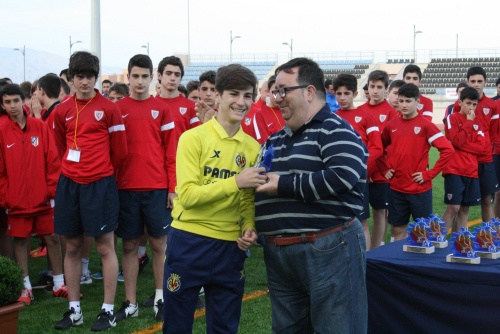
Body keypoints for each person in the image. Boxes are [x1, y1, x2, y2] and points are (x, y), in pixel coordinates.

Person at [255, 58, 368, 333]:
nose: (277, 98)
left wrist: (283, 185)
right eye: (275, 91)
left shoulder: (336, 129)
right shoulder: (274, 139)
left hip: (328, 248)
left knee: (338, 328)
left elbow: (342, 176)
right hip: (281, 254)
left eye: (284, 91)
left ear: (308, 91)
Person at [163, 64, 264, 333]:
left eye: (247, 95)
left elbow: (246, 201)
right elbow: (189, 196)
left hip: (230, 248)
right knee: (177, 325)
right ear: (217, 96)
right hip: (189, 242)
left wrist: (249, 227)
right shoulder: (192, 138)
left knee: (224, 327)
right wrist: (235, 181)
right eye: (234, 93)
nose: (241, 102)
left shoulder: (252, 148)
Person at [53, 51, 128, 331]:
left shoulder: (110, 108)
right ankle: (74, 310)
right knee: (71, 246)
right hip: (70, 183)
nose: (85, 82)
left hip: (100, 184)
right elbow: (60, 145)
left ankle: (107, 310)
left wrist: (100, 172)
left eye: (90, 76)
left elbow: (120, 152)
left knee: (105, 246)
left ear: (97, 78)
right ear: (71, 78)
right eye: (80, 76)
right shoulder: (61, 110)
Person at [114, 54, 174, 323]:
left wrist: (172, 188)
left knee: (159, 245)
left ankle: (161, 298)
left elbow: (171, 153)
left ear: (153, 78)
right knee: (129, 246)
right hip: (126, 188)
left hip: (157, 187)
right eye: (135, 76)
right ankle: (131, 302)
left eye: (144, 76)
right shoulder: (117, 109)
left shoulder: (162, 109)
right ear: (129, 77)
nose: (139, 81)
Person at [0, 84, 63, 305]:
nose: (12, 106)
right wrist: (7, 197)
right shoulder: (1, 129)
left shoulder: (40, 126)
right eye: (7, 102)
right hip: (16, 202)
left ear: (24, 100)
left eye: (16, 100)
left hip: (43, 199)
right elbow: (0, 171)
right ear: (2, 105)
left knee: (53, 238)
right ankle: (25, 287)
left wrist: (49, 191)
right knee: (20, 241)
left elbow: (53, 162)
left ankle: (59, 283)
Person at [379, 83, 454, 241]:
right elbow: (380, 148)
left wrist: (430, 174)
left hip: (419, 189)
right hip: (397, 188)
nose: (403, 105)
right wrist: (384, 167)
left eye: (408, 101)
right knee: (397, 229)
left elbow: (448, 150)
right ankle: (399, 263)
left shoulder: (426, 125)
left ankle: (419, 264)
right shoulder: (391, 125)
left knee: (422, 232)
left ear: (417, 102)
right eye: (400, 101)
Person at [334, 73, 383, 250]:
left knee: (361, 222)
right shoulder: (332, 118)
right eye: (338, 94)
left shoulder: (366, 116)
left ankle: (366, 261)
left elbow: (377, 148)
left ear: (355, 94)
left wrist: (361, 171)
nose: (342, 98)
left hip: (358, 180)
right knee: (338, 223)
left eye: (346, 93)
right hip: (337, 179)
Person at [453, 66, 498, 222]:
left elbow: (492, 132)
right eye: (473, 81)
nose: (476, 84)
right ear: (467, 81)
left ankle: (489, 237)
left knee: (486, 200)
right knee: (463, 205)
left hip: (485, 159)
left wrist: (486, 148)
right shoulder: (459, 105)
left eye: (480, 81)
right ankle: (460, 239)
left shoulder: (492, 105)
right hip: (465, 160)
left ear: (485, 82)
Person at [359, 70, 398, 248]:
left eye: (379, 87)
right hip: (362, 170)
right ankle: (363, 250)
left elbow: (389, 147)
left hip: (381, 172)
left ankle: (376, 249)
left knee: (379, 212)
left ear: (386, 89)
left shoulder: (391, 113)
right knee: (360, 215)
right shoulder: (360, 111)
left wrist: (377, 169)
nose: (375, 91)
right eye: (372, 86)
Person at [442, 87, 483, 231]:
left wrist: (461, 146)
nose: (471, 107)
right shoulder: (452, 118)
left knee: (465, 208)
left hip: (471, 170)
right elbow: (456, 142)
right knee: (453, 207)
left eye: (474, 104)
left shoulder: (478, 122)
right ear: (460, 102)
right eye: (468, 103)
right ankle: (438, 239)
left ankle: (458, 242)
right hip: (454, 169)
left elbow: (482, 148)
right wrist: (469, 123)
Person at [254, 75, 285, 144]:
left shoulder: (289, 110)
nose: (278, 96)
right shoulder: (260, 114)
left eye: (282, 91)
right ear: (268, 91)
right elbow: (264, 143)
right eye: (275, 92)